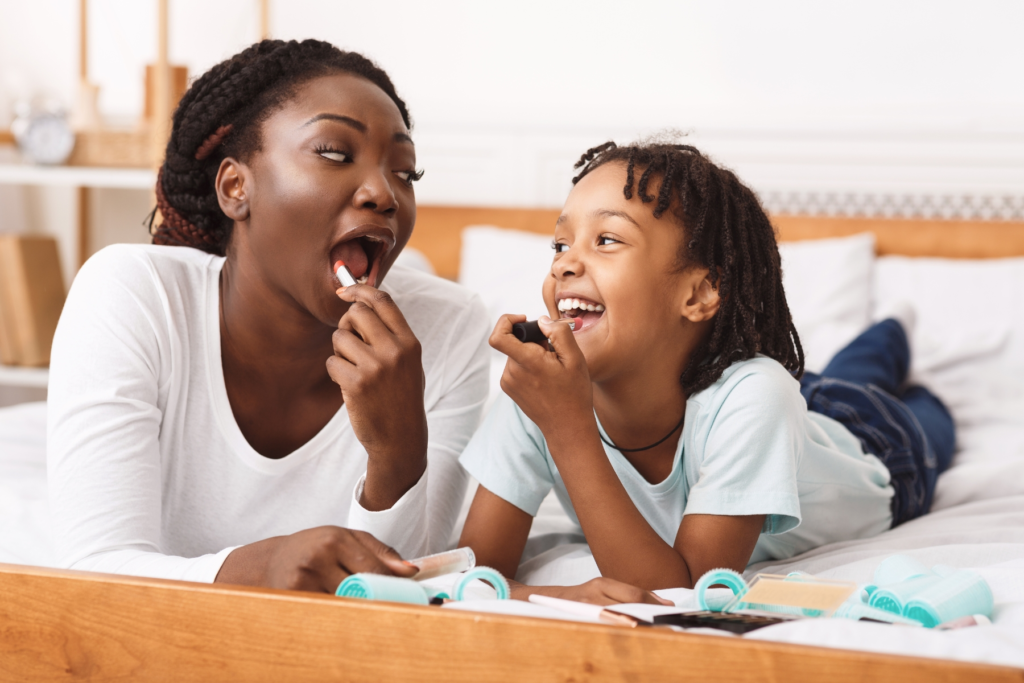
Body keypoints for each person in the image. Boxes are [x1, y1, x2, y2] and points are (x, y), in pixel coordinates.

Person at [47, 40, 489, 594]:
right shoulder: (135, 294)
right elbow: (93, 575)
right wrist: (264, 569)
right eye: (334, 153)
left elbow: (410, 596)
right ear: (237, 187)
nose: (384, 193)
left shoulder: (451, 329)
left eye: (406, 172)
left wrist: (396, 453)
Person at [458, 140, 955, 604]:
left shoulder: (758, 395)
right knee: (826, 378)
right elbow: (475, 574)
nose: (565, 264)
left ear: (698, 294)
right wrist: (564, 597)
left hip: (877, 442)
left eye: (606, 239)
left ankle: (896, 329)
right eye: (560, 245)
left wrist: (567, 426)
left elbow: (683, 593)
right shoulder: (538, 395)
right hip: (764, 407)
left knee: (913, 404)